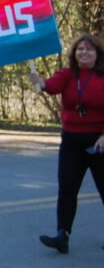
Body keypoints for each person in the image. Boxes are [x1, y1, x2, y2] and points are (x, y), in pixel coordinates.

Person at [29, 33, 104, 254]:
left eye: (89, 49)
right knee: (67, 191)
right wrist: (40, 82)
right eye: (80, 49)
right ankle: (63, 235)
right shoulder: (68, 75)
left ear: (97, 53)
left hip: (99, 144)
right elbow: (51, 86)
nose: (84, 52)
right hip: (71, 142)